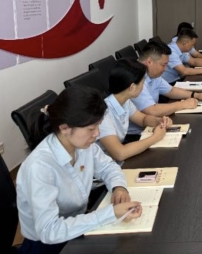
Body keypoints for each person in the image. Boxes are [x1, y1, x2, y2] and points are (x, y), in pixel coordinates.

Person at [16, 86, 142, 254]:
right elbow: (49, 231)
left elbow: (108, 166)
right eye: (91, 129)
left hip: (79, 227)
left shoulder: (82, 145)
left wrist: (119, 187)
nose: (97, 134)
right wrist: (110, 213)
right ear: (65, 128)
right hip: (49, 246)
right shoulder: (39, 166)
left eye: (98, 126)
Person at [128, 40, 202, 136]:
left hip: (152, 124)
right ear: (149, 62)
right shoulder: (135, 78)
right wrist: (183, 104)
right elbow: (152, 110)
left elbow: (171, 90)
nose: (165, 69)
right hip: (136, 134)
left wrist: (196, 95)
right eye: (163, 65)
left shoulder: (152, 74)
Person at [97, 58, 173, 162]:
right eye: (142, 83)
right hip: (105, 164)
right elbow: (120, 154)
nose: (143, 86)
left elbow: (142, 119)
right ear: (132, 87)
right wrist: (155, 137)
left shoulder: (124, 101)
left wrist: (158, 121)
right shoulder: (103, 113)